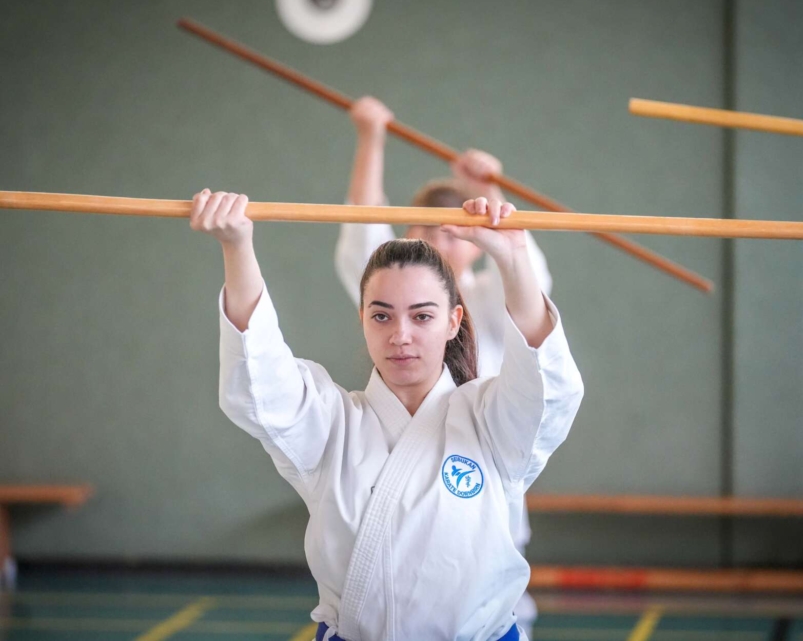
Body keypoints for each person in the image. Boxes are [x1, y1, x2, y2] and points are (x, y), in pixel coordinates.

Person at [191, 187, 584, 641]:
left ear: (453, 321)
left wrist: (514, 257)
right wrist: (237, 245)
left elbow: (547, 390)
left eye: (422, 317)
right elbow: (260, 379)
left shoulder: (490, 421)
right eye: (382, 316)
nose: (401, 335)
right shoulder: (331, 425)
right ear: (362, 318)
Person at [335, 97, 552, 635]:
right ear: (407, 234)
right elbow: (363, 229)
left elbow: (526, 276)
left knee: (493, 602)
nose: (439, 240)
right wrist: (371, 136)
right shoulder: (391, 289)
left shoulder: (486, 298)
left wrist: (491, 190)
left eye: (453, 230)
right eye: (426, 229)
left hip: (484, 461)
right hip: (401, 477)